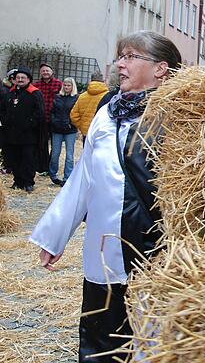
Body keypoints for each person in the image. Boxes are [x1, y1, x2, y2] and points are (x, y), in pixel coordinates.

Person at [29, 31, 181, 362]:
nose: (120, 63)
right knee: (101, 335)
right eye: (120, 56)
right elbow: (83, 178)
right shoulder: (108, 113)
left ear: (160, 69)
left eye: (131, 56)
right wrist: (55, 237)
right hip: (103, 245)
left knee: (151, 336)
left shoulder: (181, 116)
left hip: (155, 247)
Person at [3, 68, 44, 192]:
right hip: (13, 134)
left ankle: (28, 182)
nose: (20, 80)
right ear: (14, 80)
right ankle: (17, 181)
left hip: (29, 134)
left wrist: (30, 123)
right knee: (15, 158)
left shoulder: (35, 93)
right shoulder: (10, 93)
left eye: (23, 78)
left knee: (28, 159)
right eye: (18, 78)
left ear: (29, 79)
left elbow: (39, 113)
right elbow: (4, 110)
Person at [33, 63, 63, 174]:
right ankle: (43, 166)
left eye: (47, 71)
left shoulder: (59, 84)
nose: (45, 73)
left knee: (55, 145)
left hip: (55, 118)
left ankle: (52, 167)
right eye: (43, 71)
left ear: (52, 72)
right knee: (42, 143)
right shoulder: (36, 85)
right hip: (41, 118)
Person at [49, 77, 79, 186]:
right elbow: (52, 111)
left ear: (72, 87)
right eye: (65, 85)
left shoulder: (76, 98)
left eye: (69, 85)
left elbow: (77, 113)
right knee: (55, 154)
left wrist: (72, 123)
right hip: (57, 129)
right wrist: (54, 121)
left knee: (69, 155)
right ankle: (53, 175)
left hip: (70, 130)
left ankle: (67, 177)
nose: (66, 87)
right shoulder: (57, 97)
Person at [70, 72, 108, 144]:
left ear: (91, 80)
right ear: (103, 81)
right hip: (102, 133)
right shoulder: (107, 96)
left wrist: (82, 127)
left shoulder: (82, 96)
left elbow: (73, 115)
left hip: (86, 133)